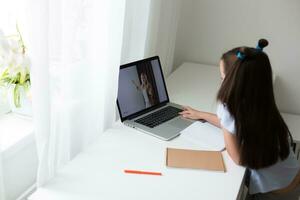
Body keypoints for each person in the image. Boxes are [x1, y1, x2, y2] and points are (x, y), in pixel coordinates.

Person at [179, 39, 300, 200]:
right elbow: (230, 125)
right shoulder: (260, 101)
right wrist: (201, 115)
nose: (221, 83)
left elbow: (238, 157)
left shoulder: (229, 108)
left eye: (222, 78)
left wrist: (222, 111)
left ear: (234, 82)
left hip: (274, 193)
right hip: (292, 179)